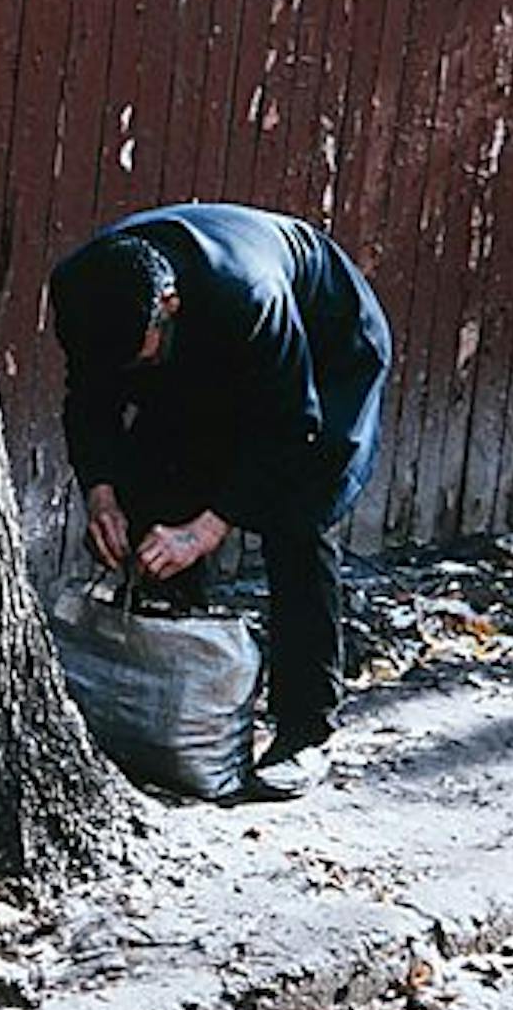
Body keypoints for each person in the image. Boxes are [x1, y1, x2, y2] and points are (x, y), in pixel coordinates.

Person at [49, 204, 390, 799]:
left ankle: (306, 728)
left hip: (324, 348)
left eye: (139, 356)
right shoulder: (84, 289)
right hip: (211, 348)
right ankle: (167, 707)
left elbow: (291, 428)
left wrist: (205, 530)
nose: (130, 370)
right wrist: (102, 494)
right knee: (155, 487)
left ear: (168, 305)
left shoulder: (250, 293)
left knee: (299, 519)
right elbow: (90, 397)